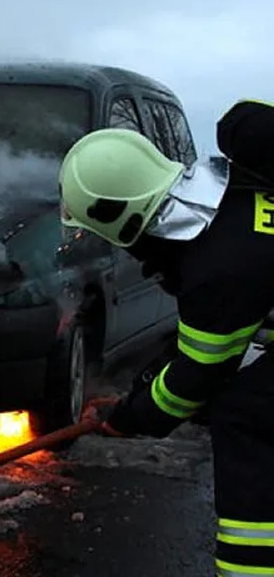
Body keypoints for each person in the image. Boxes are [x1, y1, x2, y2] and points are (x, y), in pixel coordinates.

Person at [58, 99, 274, 577]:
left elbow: (197, 377)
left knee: (249, 413)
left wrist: (130, 418)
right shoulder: (234, 193)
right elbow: (198, 344)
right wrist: (143, 388)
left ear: (124, 221)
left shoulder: (218, 268)